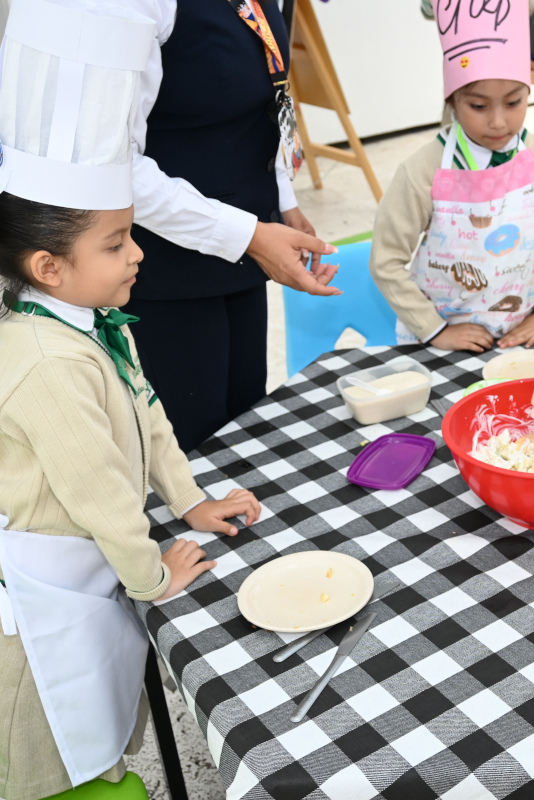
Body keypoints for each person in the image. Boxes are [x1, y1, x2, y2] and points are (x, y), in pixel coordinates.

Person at [0, 5, 260, 798]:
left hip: (92, 561)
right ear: (48, 266)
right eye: (115, 243)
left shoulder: (95, 317)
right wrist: (152, 575)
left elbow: (149, 417)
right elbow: (100, 490)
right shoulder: (44, 360)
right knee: (44, 745)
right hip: (44, 588)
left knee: (103, 719)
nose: (137, 253)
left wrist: (189, 502)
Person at [123, 0, 340, 452]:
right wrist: (251, 235)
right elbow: (117, 163)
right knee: (193, 437)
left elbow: (268, 96)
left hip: (247, 244)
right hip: (167, 256)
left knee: (247, 419)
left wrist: (282, 199)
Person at [369, 0, 534, 354]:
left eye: (514, 103)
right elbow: (386, 260)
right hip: (446, 343)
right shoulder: (423, 171)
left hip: (532, 339)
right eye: (478, 106)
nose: (498, 122)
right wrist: (435, 329)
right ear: (452, 101)